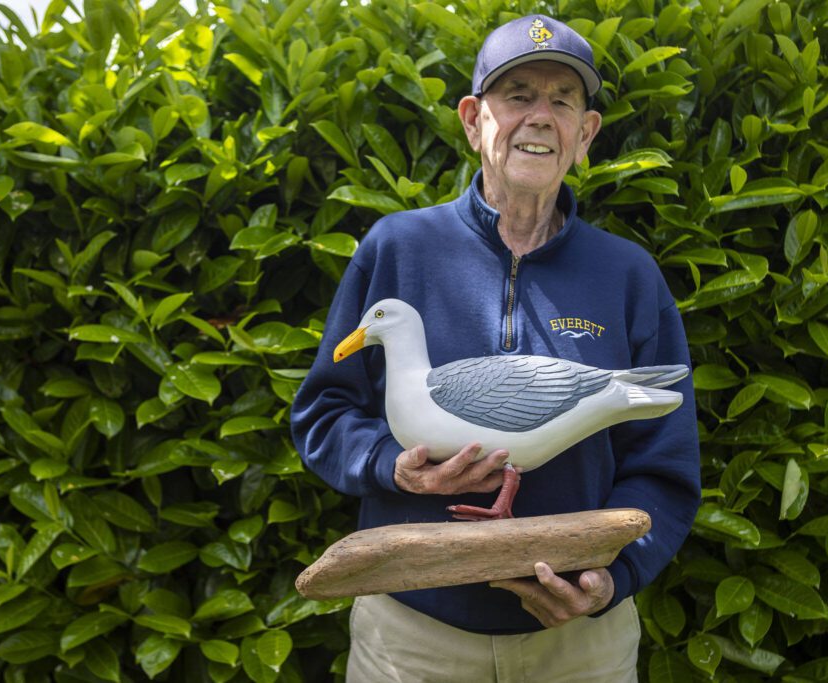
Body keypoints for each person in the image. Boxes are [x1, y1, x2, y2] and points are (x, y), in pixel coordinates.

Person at [291, 14, 700, 682]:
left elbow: (667, 463)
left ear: (586, 133)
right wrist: (394, 465)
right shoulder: (397, 250)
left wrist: (614, 575)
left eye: (563, 101)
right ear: (473, 118)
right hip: (412, 641)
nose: (540, 117)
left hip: (578, 650)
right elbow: (323, 414)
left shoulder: (628, 276)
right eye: (518, 96)